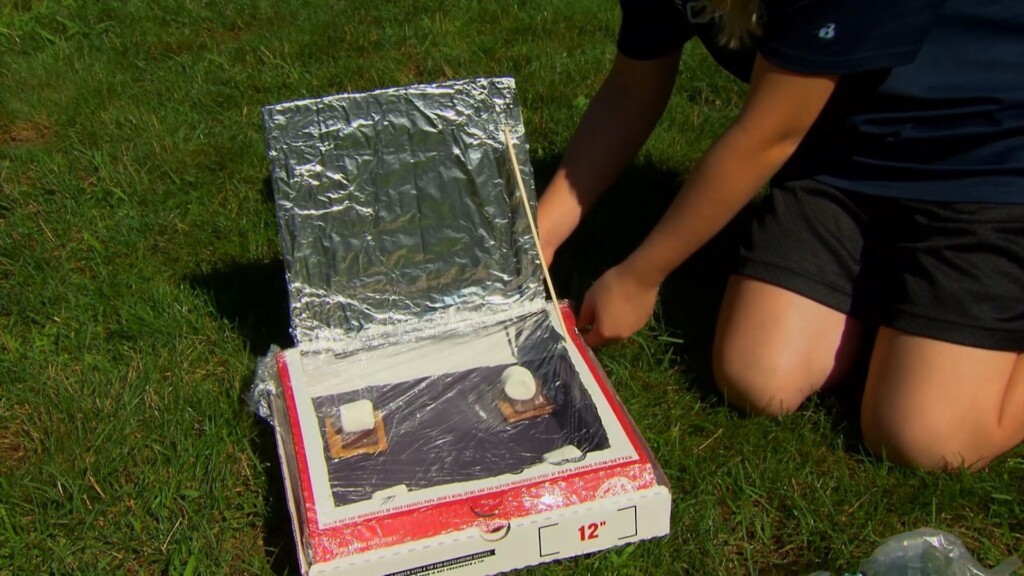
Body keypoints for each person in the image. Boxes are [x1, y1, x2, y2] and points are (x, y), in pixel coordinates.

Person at [536, 0, 1023, 470]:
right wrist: (544, 231)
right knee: (758, 378)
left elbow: (768, 135)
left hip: (981, 154)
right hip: (839, 156)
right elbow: (631, 89)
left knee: (926, 438)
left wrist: (640, 276)